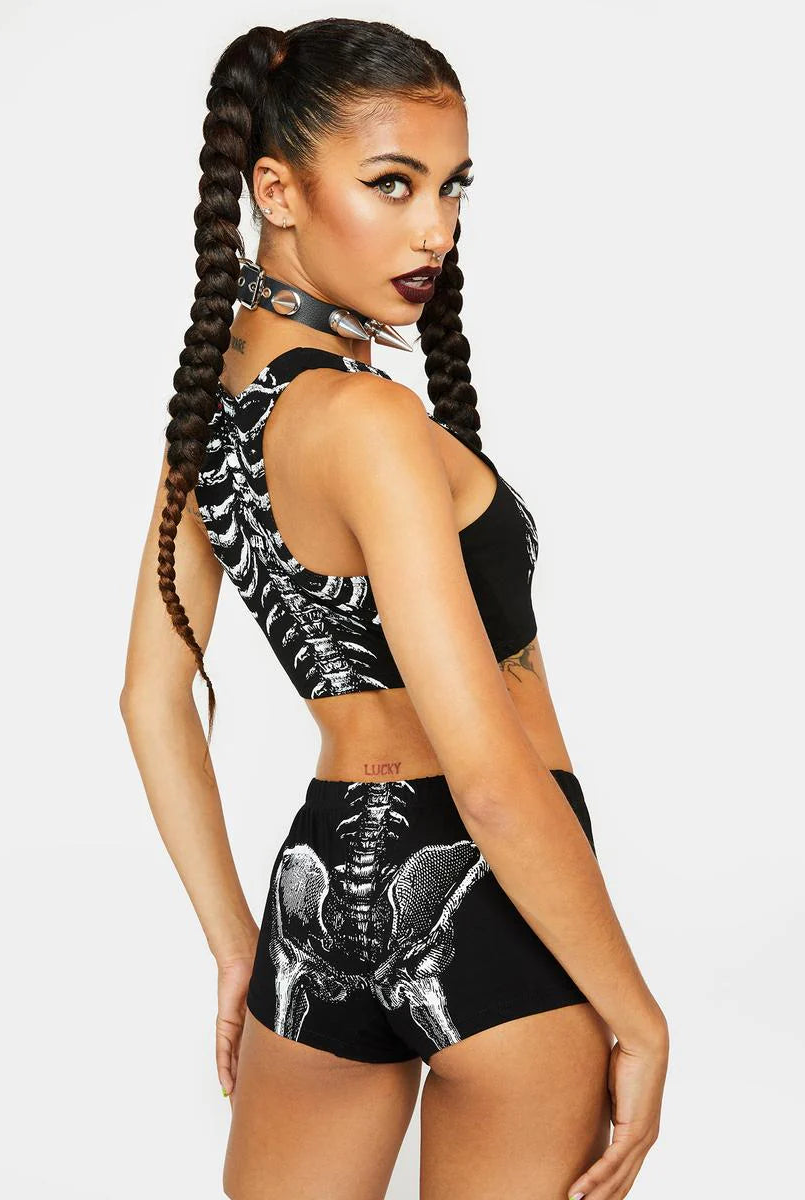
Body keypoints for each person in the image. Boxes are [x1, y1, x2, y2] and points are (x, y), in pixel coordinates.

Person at [120, 18, 668, 1200]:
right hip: (489, 899)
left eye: (453, 186)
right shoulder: (371, 423)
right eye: (393, 183)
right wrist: (639, 1018)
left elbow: (150, 700)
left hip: (313, 907)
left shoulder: (207, 414)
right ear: (276, 190)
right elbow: (489, 776)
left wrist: (239, 945)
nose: (436, 228)